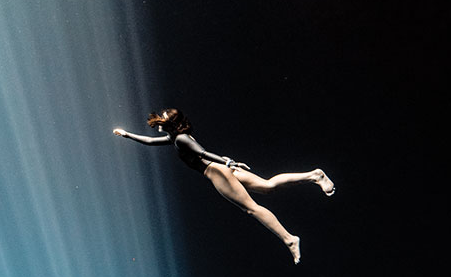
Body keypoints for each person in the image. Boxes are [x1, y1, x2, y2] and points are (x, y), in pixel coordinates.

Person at [113, 108, 334, 264]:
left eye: (162, 121)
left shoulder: (180, 139)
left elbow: (201, 152)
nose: (158, 124)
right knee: (268, 186)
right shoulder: (175, 138)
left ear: (170, 124)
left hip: (216, 171)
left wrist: (226, 162)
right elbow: (151, 141)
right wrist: (127, 135)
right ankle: (314, 175)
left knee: (251, 208)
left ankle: (289, 239)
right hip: (221, 167)